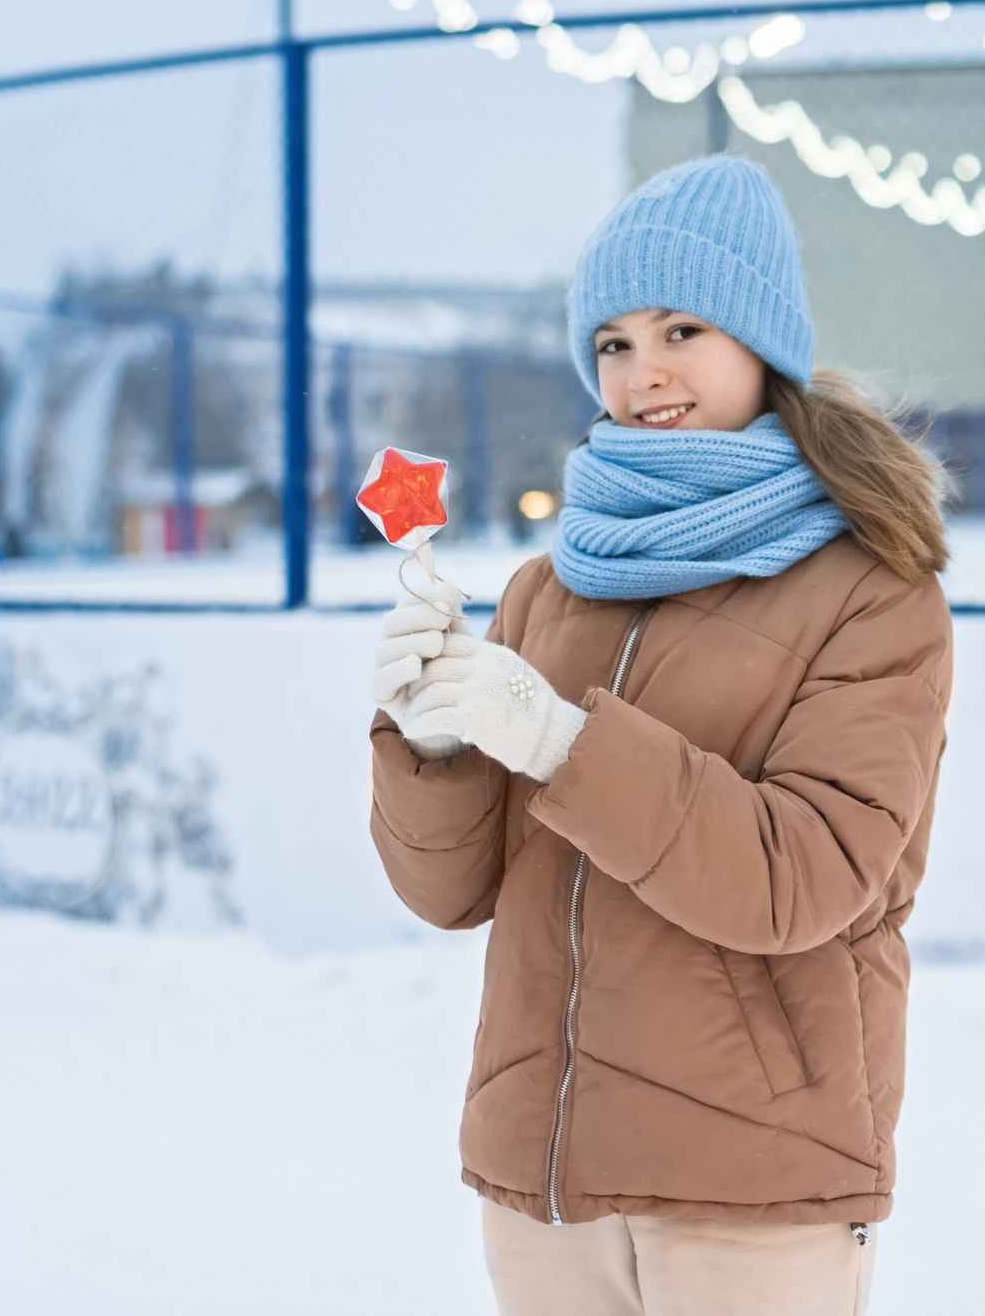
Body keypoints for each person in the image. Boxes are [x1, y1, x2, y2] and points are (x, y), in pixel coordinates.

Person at [367, 155, 954, 1316]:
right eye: (613, 344)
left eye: (682, 327)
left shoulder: (871, 591)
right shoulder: (549, 586)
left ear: (761, 339)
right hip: (546, 1174)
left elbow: (805, 876)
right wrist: (427, 746)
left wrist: (561, 739)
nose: (645, 373)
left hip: (752, 1178)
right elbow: (454, 891)